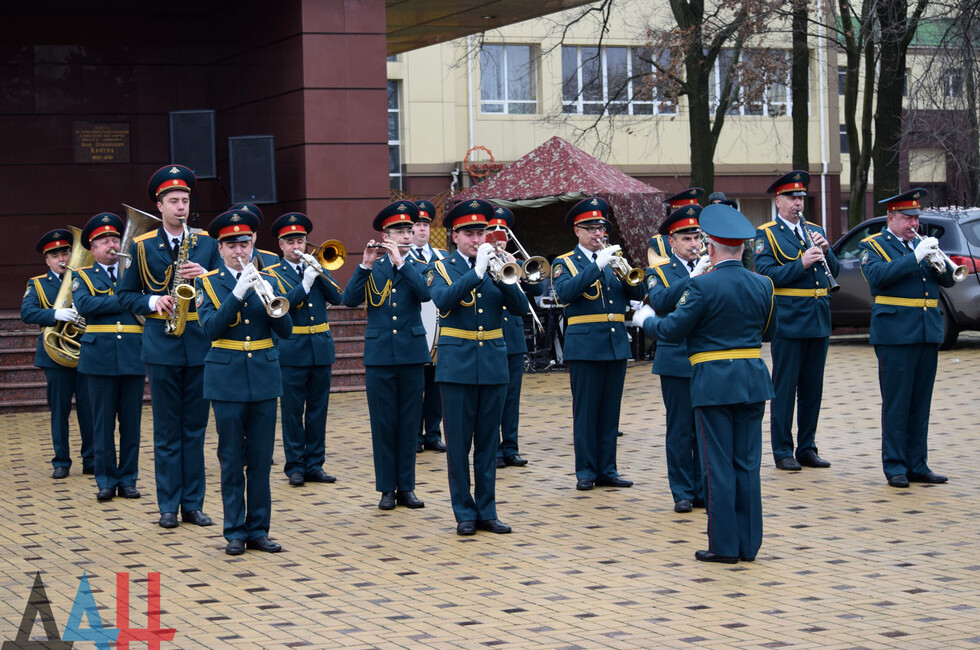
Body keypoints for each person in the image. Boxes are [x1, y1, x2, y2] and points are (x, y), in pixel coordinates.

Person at [634, 204, 776, 563]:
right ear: (741, 248)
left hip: (714, 383)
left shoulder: (701, 285)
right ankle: (749, 545)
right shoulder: (763, 284)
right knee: (747, 464)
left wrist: (645, 321)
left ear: (710, 248)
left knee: (718, 466)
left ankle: (724, 546)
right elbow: (769, 330)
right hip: (752, 379)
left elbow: (672, 329)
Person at [117, 164, 219, 529]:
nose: (180, 207)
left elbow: (225, 289)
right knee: (166, 431)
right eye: (173, 201)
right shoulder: (142, 246)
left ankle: (193, 504)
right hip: (161, 344)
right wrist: (152, 301)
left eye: (185, 201)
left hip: (199, 344)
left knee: (195, 429)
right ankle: (168, 506)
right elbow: (125, 294)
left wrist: (207, 276)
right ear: (159, 206)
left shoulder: (208, 244)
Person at [428, 199, 530, 535]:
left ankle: (487, 510)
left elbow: (520, 308)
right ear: (454, 236)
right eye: (469, 234)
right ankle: (464, 513)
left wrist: (505, 278)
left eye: (481, 233)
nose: (476, 239)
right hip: (456, 365)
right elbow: (443, 300)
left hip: (493, 362)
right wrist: (477, 272)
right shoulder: (440, 268)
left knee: (487, 444)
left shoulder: (498, 266)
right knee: (458, 446)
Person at [195, 209, 293, 555]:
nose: (240, 251)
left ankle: (259, 530)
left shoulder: (270, 280)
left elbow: (286, 330)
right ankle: (235, 531)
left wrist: (268, 298)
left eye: (245, 244)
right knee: (232, 458)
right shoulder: (207, 283)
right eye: (232, 245)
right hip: (227, 378)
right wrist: (237, 293)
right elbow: (210, 329)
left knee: (262, 459)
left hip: (264, 376)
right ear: (220, 248)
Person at [858, 188, 953, 488]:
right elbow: (877, 278)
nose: (914, 223)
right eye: (907, 218)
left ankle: (917, 464)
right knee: (897, 403)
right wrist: (916, 256)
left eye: (916, 218)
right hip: (895, 333)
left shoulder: (921, 244)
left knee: (920, 403)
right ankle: (895, 466)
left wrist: (939, 259)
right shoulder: (873, 245)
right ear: (891, 217)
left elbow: (948, 280)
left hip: (926, 330)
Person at [552, 197, 645, 491]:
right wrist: (596, 266)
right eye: (590, 229)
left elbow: (639, 291)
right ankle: (586, 471)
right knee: (586, 412)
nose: (597, 234)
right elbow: (565, 293)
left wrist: (624, 269)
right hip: (585, 346)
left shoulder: (613, 260)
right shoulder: (565, 262)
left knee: (610, 412)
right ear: (577, 231)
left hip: (615, 343)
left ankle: (608, 469)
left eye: (601, 228)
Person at [342, 201, 430, 510]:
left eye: (409, 231)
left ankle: (406, 487)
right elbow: (349, 300)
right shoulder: (373, 267)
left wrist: (402, 264)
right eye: (398, 232)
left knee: (409, 424)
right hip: (379, 355)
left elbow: (425, 293)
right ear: (385, 236)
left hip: (411, 354)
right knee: (383, 424)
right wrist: (365, 265)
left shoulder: (418, 265)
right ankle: (386, 489)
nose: (406, 236)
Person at [754, 170, 839, 471]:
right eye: (791, 198)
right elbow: (766, 275)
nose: (798, 203)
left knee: (812, 389)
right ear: (778, 201)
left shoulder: (814, 229)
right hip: (789, 320)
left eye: (801, 198)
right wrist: (800, 264)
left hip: (818, 318)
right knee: (785, 388)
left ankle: (807, 447)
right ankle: (782, 450)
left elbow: (833, 272)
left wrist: (827, 251)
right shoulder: (767, 234)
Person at [72, 213, 146, 503]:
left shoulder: (135, 272)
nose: (112, 245)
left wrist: (123, 299)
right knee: (102, 424)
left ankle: (128, 480)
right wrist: (127, 299)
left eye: (115, 239)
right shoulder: (82, 276)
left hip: (132, 354)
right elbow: (85, 305)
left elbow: (146, 303)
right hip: (99, 357)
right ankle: (105, 481)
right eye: (104, 241)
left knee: (131, 425)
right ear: (93, 249)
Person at [266, 212, 344, 487]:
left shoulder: (315, 267)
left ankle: (315, 464)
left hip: (320, 348)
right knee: (292, 412)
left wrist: (319, 273)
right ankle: (295, 466)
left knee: (318, 411)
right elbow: (280, 306)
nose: (296, 246)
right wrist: (305, 283)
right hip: (291, 350)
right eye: (290, 242)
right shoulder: (272, 274)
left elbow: (338, 297)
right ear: (281, 245)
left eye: (300, 241)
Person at [646, 203, 709, 513]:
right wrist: (693, 277)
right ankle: (682, 491)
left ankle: (703, 489)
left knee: (704, 428)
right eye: (686, 238)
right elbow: (660, 301)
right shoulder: (659, 271)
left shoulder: (712, 266)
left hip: (706, 357)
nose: (693, 244)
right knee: (681, 428)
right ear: (672, 242)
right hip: (675, 358)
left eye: (696, 237)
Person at [21, 229, 94, 478]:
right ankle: (61, 461)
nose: (62, 259)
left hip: (84, 351)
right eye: (55, 256)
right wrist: (55, 314)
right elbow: (27, 313)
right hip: (55, 355)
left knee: (89, 410)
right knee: (59, 412)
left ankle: (91, 460)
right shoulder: (38, 284)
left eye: (65, 253)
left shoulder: (85, 278)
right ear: (47, 260)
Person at [487, 206, 543, 469]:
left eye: (502, 235)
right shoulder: (481, 265)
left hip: (514, 337)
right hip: (491, 336)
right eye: (492, 234)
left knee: (512, 398)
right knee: (494, 398)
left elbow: (538, 287)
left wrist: (516, 264)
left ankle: (511, 447)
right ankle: (494, 449)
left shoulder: (515, 262)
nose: (498, 240)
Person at [410, 199, 448, 453]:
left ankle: (433, 433)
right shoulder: (402, 257)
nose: (422, 229)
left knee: (436, 386)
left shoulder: (443, 256)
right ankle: (415, 435)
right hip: (416, 328)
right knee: (416, 387)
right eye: (417, 224)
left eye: (426, 224)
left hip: (439, 329)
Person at [231, 202, 281, 269]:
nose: (247, 235)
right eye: (242, 230)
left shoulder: (271, 259)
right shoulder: (221, 259)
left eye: (251, 229)